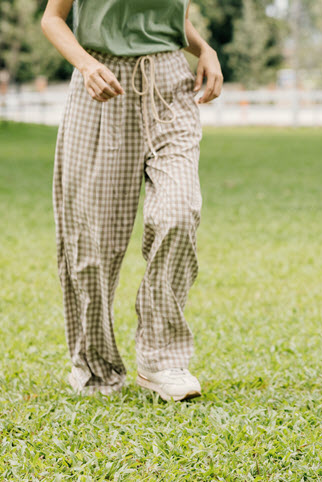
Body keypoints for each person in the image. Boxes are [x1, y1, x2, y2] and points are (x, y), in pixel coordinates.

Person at [41, 0, 223, 401]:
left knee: (179, 213)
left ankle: (162, 359)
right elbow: (52, 19)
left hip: (169, 84)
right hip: (101, 84)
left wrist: (204, 49)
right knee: (92, 242)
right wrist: (86, 65)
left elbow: (170, 20)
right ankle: (95, 366)